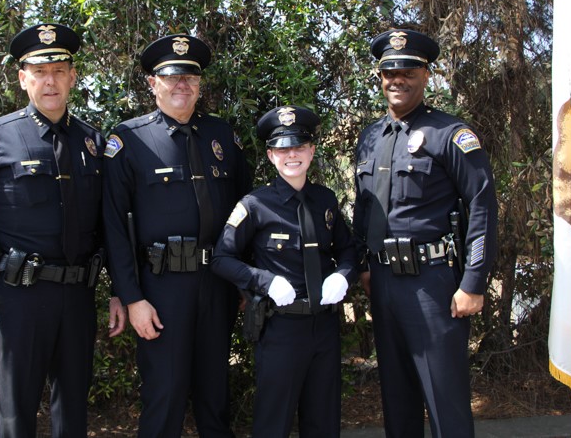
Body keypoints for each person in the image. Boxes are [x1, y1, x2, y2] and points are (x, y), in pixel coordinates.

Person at [0, 23, 126, 437]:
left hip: (77, 296)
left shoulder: (92, 142)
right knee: (17, 413)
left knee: (73, 413)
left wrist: (120, 289)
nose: (51, 81)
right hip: (19, 299)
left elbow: (110, 225)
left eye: (60, 71)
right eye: (40, 72)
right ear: (23, 78)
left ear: (73, 77)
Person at [103, 33, 252, 437]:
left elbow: (245, 211)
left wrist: (243, 281)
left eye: (190, 76)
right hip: (161, 287)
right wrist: (132, 297)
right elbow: (114, 226)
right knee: (164, 397)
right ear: (153, 83)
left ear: (200, 83)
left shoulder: (223, 137)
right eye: (171, 77)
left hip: (217, 284)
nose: (181, 84)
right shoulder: (128, 140)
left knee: (215, 396)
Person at [353, 28, 498, 438]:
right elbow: (363, 208)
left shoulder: (450, 134)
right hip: (382, 284)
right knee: (397, 404)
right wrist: (365, 266)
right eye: (389, 71)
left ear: (426, 74)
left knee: (445, 403)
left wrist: (473, 281)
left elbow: (482, 206)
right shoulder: (371, 137)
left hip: (432, 285)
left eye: (408, 70)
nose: (397, 79)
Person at [212, 105, 360, 438]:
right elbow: (222, 257)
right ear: (270, 155)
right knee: (272, 424)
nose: (291, 155)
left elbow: (348, 250)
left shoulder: (326, 200)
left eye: (299, 146)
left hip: (324, 326)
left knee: (324, 423)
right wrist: (265, 281)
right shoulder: (254, 205)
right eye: (282, 148)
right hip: (280, 328)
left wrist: (344, 275)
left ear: (312, 150)